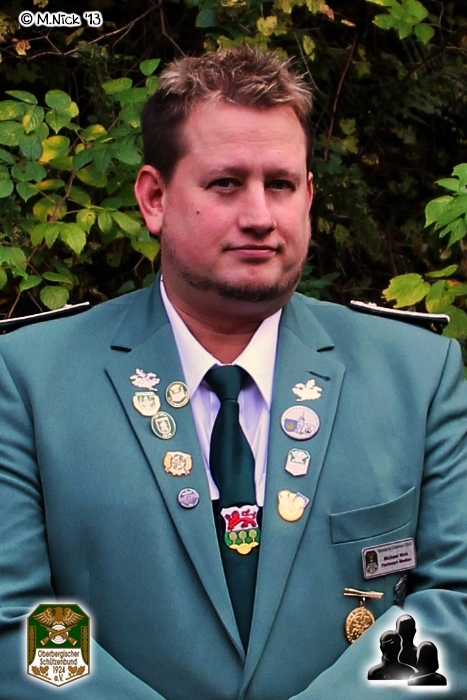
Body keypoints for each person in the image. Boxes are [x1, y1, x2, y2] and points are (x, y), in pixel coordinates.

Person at [0, 45, 467, 699]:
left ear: (308, 196)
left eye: (280, 185)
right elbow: (16, 619)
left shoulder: (416, 375)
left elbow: (453, 601)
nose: (259, 216)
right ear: (154, 198)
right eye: (225, 183)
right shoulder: (31, 379)